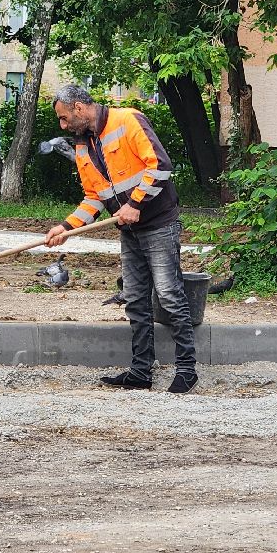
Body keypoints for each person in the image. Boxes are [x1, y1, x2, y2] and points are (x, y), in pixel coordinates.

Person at [44, 84, 197, 394]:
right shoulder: (82, 146)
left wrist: (135, 204)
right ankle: (140, 372)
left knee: (169, 295)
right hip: (130, 231)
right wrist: (66, 227)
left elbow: (160, 166)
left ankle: (186, 370)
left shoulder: (127, 120)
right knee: (136, 300)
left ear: (78, 108)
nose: (62, 125)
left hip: (159, 224)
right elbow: (94, 197)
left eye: (63, 118)